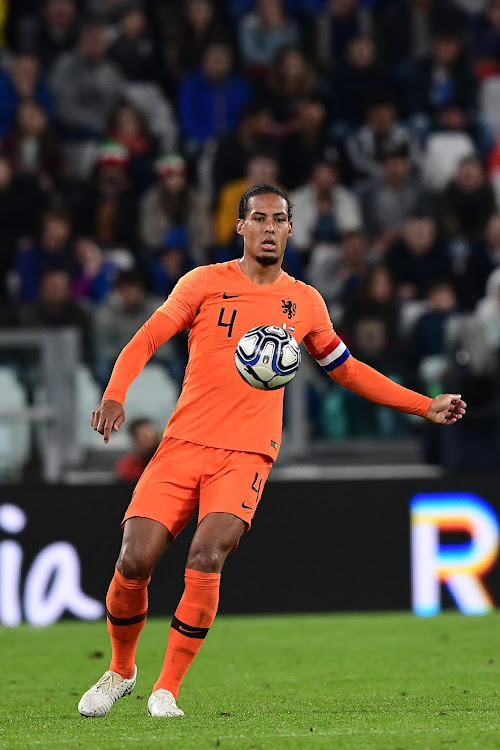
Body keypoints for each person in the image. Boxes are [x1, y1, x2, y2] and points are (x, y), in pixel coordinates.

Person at [78, 183, 466, 719]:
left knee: (206, 555)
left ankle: (166, 689)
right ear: (241, 227)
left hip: (246, 455)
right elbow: (148, 337)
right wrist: (115, 394)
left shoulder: (305, 301)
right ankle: (121, 670)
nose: (268, 227)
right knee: (134, 559)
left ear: (289, 229)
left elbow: (347, 370)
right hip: (181, 445)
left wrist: (424, 405)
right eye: (257, 218)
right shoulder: (204, 283)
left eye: (278, 219)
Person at [115, 418, 161, 483]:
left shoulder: (168, 459)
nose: (149, 438)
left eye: (151, 434)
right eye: (143, 436)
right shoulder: (129, 466)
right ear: (135, 440)